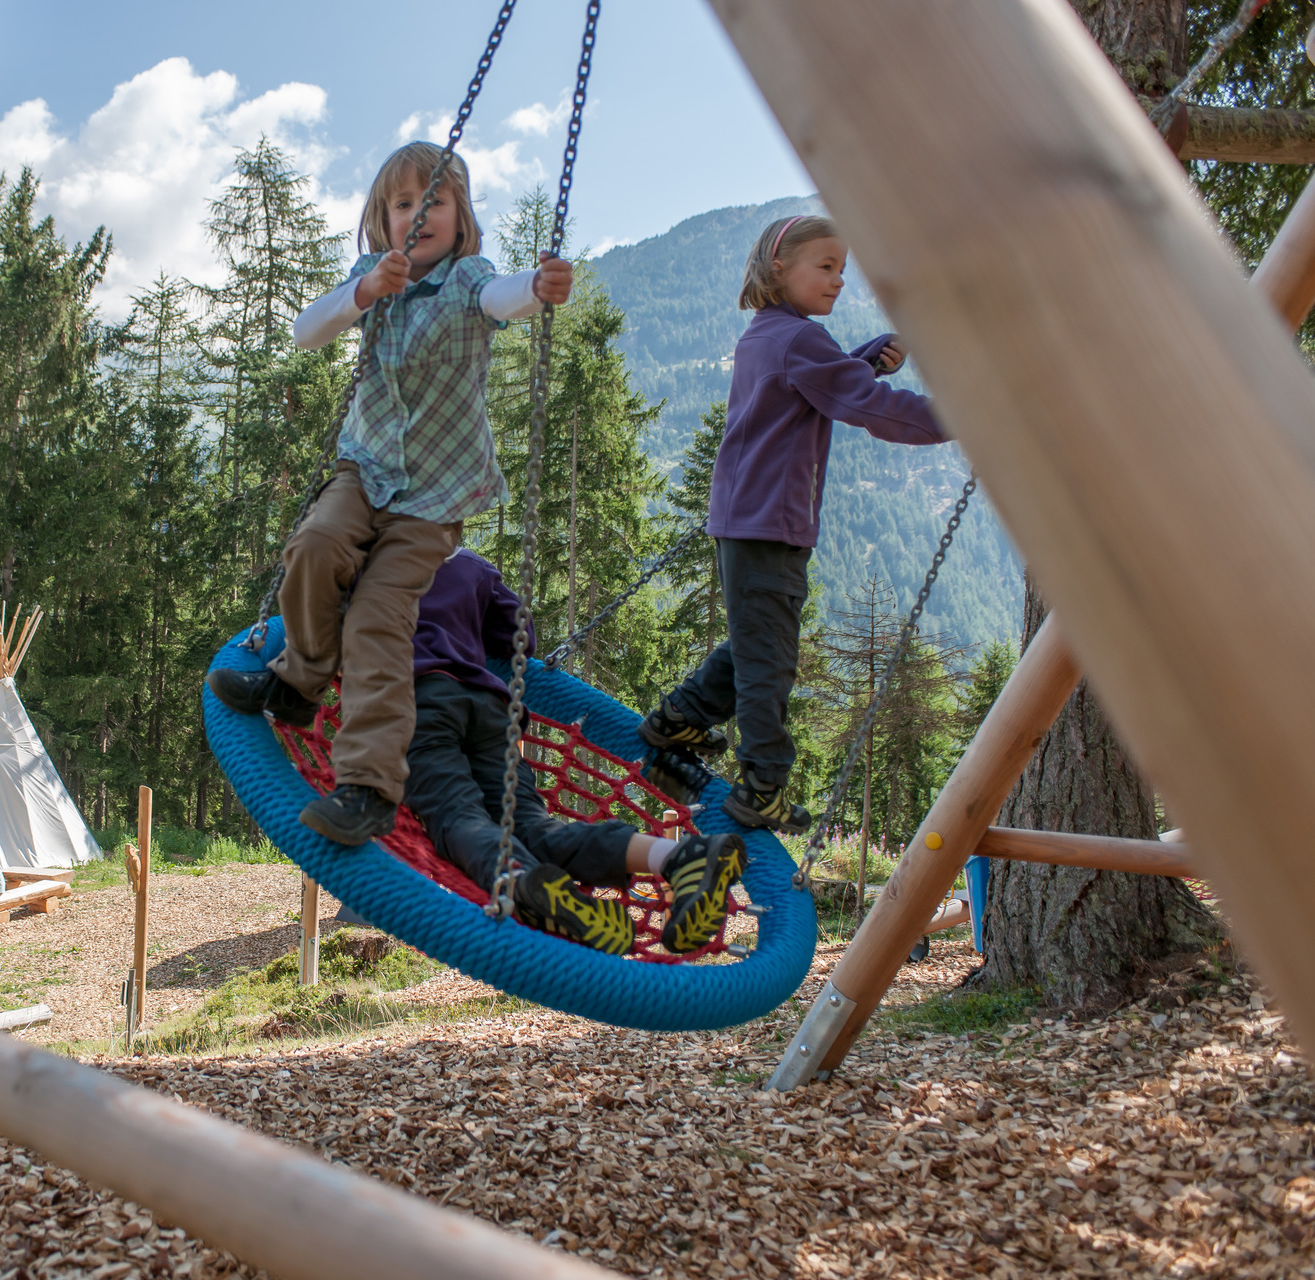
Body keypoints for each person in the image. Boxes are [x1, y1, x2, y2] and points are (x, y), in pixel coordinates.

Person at [207, 141, 573, 847]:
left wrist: (539, 285)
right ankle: (299, 683)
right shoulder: (372, 277)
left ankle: (369, 789)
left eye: (435, 200)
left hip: (435, 497)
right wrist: (365, 291)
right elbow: (306, 332)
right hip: (365, 465)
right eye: (404, 203)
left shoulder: (469, 279)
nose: (419, 213)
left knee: (378, 618)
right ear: (383, 220)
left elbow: (505, 298)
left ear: (461, 216)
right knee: (315, 546)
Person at [639, 214, 946, 833]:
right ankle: (763, 786)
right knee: (769, 659)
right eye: (825, 266)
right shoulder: (800, 339)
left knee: (757, 640)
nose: (838, 280)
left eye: (842, 269)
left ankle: (681, 718)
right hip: (768, 525)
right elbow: (870, 406)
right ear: (779, 268)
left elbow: (813, 383)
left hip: (750, 520)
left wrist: (862, 361)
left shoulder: (770, 334)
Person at [405, 548, 747, 956]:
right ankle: (677, 856)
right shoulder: (468, 563)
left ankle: (527, 886)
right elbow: (518, 636)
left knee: (456, 815)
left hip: (416, 703)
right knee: (529, 825)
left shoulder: (369, 560)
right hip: (490, 709)